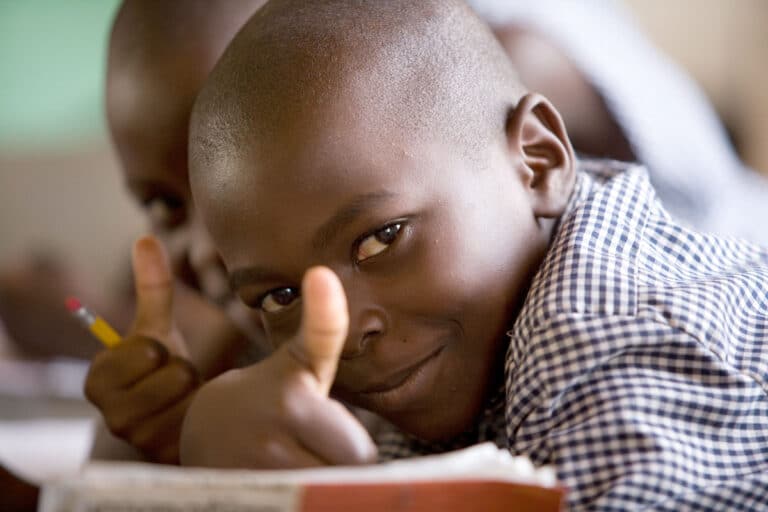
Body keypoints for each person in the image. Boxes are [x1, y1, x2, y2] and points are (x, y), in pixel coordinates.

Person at [178, 1, 768, 510]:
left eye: (381, 239)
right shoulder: (449, 338)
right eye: (281, 296)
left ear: (537, 162)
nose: (346, 329)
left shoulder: (609, 346)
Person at [85, 0, 267, 464]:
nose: (203, 251)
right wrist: (147, 436)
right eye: (164, 204)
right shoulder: (228, 359)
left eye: (242, 182)